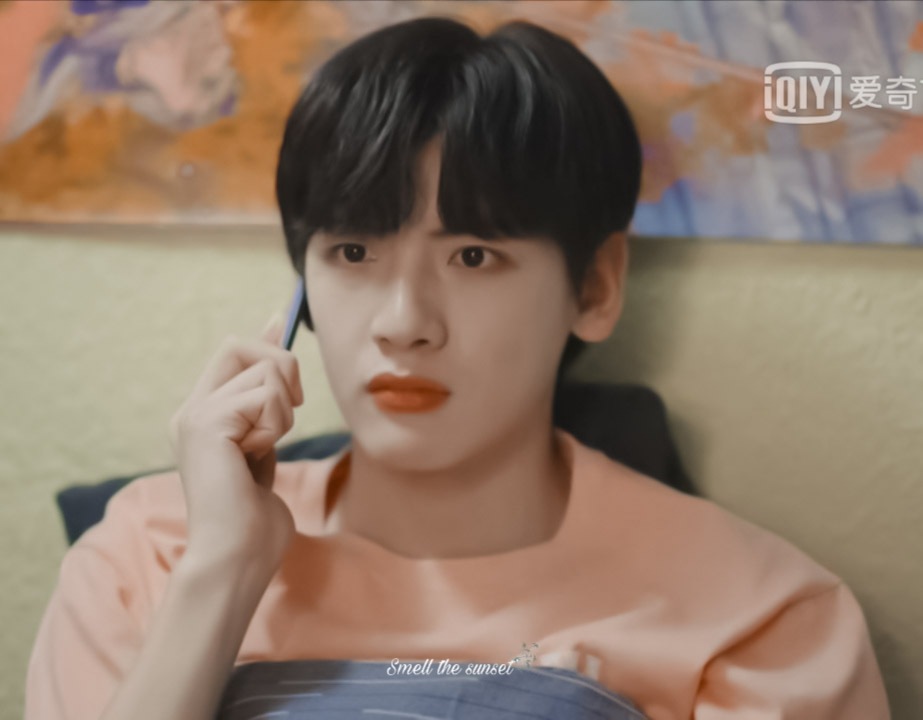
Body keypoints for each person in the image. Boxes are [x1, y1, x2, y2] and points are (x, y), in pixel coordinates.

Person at [25, 16, 889, 720]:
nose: (403, 325)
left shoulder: (758, 619)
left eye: (473, 256)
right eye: (353, 250)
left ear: (593, 285)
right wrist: (220, 573)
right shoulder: (147, 553)